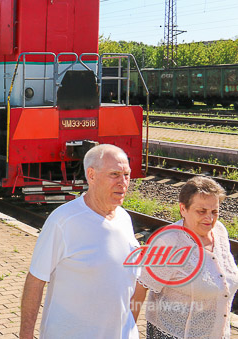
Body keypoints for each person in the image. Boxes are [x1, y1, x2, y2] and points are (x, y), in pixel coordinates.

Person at [19, 144, 141, 339]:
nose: (123, 182)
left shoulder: (124, 219)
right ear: (91, 176)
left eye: (126, 174)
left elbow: (131, 281)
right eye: (115, 174)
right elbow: (35, 280)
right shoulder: (63, 220)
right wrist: (26, 335)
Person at [130, 176, 238, 338]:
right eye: (201, 211)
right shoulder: (169, 242)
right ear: (183, 209)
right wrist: (128, 332)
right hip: (174, 334)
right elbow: (140, 287)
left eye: (214, 211)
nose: (209, 218)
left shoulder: (220, 231)